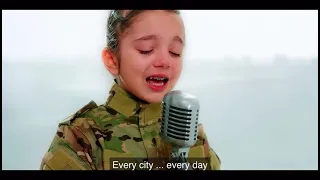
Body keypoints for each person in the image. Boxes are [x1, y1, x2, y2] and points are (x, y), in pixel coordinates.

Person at [40, 10, 221, 170]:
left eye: (175, 52)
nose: (164, 61)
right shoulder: (81, 135)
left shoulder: (193, 136)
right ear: (112, 60)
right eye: (146, 49)